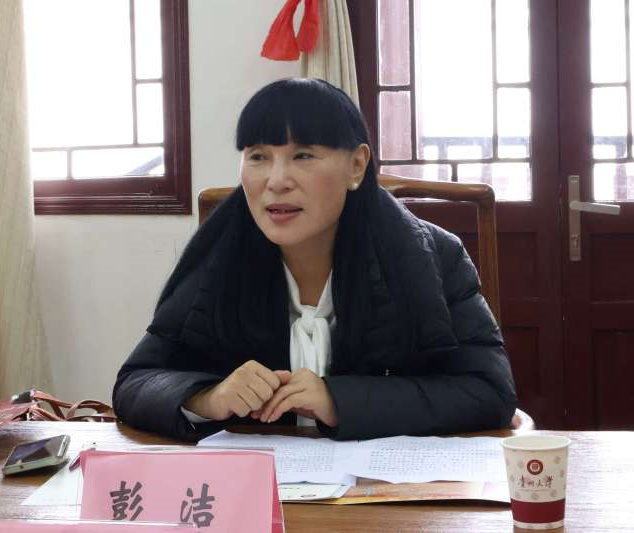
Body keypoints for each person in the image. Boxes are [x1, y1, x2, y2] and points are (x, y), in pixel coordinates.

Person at [113, 78, 517, 441]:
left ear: (356, 165)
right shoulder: (218, 253)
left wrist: (339, 400)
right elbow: (136, 381)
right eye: (258, 156)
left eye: (303, 155)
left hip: (382, 488)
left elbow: (489, 391)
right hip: (257, 490)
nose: (276, 181)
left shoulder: (430, 255)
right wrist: (206, 398)